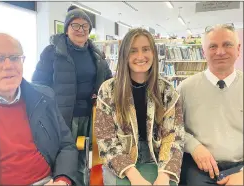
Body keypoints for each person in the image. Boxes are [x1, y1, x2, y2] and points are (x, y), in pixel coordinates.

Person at [0, 33, 78, 186]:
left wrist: (63, 180)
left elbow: (66, 145)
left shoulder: (44, 97)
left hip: (51, 181)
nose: (8, 66)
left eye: (15, 58)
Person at [32, 5, 112, 185]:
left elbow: (109, 82)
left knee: (84, 157)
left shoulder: (97, 54)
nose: (80, 30)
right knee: (63, 157)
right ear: (66, 28)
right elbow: (38, 84)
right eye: (75, 25)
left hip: (90, 116)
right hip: (62, 116)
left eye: (85, 26)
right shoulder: (52, 52)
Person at [94, 28, 185, 185]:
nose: (140, 56)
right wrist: (134, 176)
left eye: (145, 49)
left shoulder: (168, 91)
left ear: (153, 54)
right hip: (120, 160)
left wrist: (164, 176)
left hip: (158, 161)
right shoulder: (108, 90)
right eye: (133, 51)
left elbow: (174, 137)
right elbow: (106, 139)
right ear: (124, 55)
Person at [177, 24, 243, 186]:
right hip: (198, 168)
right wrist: (193, 146)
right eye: (213, 46)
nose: (220, 52)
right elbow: (172, 129)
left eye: (227, 44)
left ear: (238, 49)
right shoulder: (185, 89)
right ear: (203, 51)